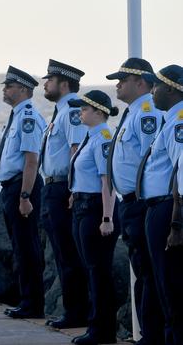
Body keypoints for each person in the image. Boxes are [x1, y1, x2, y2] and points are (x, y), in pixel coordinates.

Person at [106, 58, 165, 344]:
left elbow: (149, 159)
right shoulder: (133, 113)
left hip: (140, 203)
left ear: (141, 82)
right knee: (142, 270)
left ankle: (151, 336)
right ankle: (147, 333)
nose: (117, 84)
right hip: (128, 203)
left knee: (149, 273)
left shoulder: (147, 113)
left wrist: (139, 201)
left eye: (122, 80)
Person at [39, 59, 89, 328]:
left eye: (50, 79)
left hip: (63, 188)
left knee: (69, 254)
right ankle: (73, 310)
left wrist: (71, 190)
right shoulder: (60, 111)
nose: (45, 84)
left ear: (64, 83)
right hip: (52, 187)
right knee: (61, 252)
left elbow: (76, 151)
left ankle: (76, 313)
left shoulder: (71, 111)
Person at [68, 90, 120, 344]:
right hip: (82, 205)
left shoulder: (103, 138)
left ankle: (103, 330)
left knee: (98, 271)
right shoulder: (90, 136)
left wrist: (107, 217)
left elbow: (106, 180)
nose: (80, 113)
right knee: (91, 270)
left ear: (99, 112)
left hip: (96, 209)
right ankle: (95, 326)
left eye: (85, 109)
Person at [0, 66, 46, 318]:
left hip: (22, 187)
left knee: (27, 247)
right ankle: (26, 300)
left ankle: (32, 304)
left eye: (9, 86)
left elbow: (31, 160)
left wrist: (25, 196)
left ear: (23, 90)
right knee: (19, 246)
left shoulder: (27, 117)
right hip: (11, 186)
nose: (4, 89)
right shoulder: (16, 116)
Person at [139, 65, 183, 344]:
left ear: (170, 88)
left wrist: (177, 224)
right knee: (162, 282)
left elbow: (182, 172)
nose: (151, 92)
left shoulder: (179, 121)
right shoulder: (171, 119)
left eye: (155, 87)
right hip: (158, 208)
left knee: (172, 286)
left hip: (169, 210)